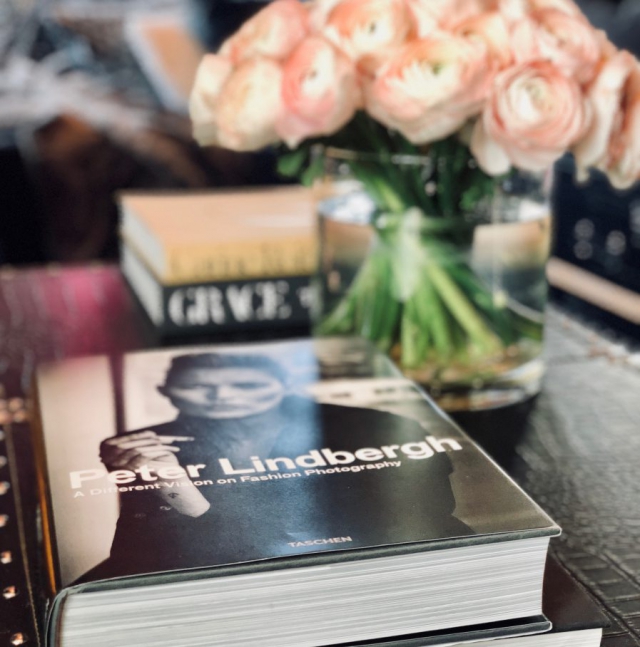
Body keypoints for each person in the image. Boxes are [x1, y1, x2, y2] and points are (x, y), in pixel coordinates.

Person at [100, 352, 473, 577]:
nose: (221, 397)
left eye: (247, 386)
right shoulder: (139, 445)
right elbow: (151, 544)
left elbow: (425, 510)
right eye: (197, 387)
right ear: (165, 391)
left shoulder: (371, 423)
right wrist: (172, 483)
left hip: (386, 563)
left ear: (286, 384)